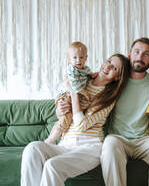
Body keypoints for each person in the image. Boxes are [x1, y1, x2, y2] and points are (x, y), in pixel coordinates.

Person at [21, 53, 130, 186]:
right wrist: (59, 109)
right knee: (32, 148)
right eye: (108, 61)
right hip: (65, 144)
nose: (108, 66)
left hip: (89, 147)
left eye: (114, 68)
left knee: (52, 166)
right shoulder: (82, 80)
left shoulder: (109, 97)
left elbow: (81, 124)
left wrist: (73, 92)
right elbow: (65, 106)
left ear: (117, 77)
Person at [99, 37, 149, 186]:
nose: (140, 57)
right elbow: (91, 85)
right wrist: (63, 100)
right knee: (109, 144)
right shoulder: (116, 80)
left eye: (146, 54)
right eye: (137, 52)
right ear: (129, 54)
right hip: (118, 138)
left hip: (145, 139)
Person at [45, 41, 97, 144]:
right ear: (69, 59)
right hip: (65, 96)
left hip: (72, 97)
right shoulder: (71, 70)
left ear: (86, 58)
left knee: (67, 118)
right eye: (75, 58)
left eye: (81, 57)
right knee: (66, 118)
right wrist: (85, 93)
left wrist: (94, 75)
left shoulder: (85, 69)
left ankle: (54, 138)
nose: (78, 60)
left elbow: (89, 75)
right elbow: (74, 85)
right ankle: (49, 140)